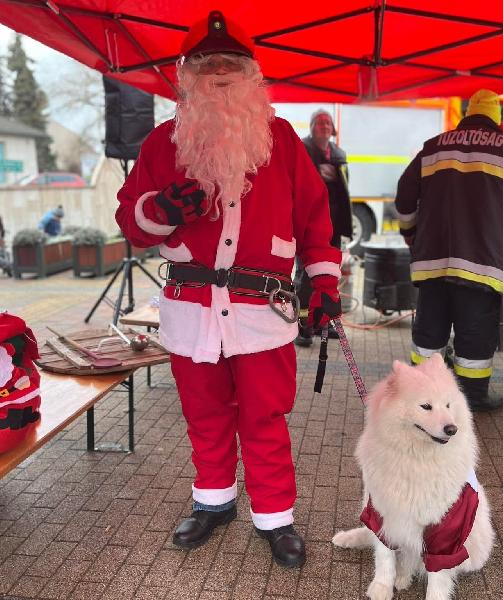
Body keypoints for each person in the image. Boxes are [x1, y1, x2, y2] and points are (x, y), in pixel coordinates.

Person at [114, 10, 341, 568]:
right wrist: (162, 210)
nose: (218, 70)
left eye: (231, 61)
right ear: (185, 74)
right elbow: (131, 222)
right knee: (204, 410)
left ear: (252, 74)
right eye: (205, 62)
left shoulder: (283, 140)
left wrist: (324, 285)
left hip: (261, 309)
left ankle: (274, 515)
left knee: (264, 415)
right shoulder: (161, 144)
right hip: (191, 308)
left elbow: (316, 221)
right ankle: (213, 501)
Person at [395, 89, 503, 412]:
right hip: (483, 266)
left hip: (433, 263)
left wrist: (411, 233)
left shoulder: (434, 146)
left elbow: (404, 196)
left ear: (467, 113)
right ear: (498, 119)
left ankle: (420, 396)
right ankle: (472, 398)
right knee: (475, 337)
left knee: (429, 335)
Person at [293, 109, 352, 347]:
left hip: (333, 226)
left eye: (328, 123)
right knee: (305, 277)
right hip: (308, 224)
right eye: (319, 123)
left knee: (329, 276)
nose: (324, 126)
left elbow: (344, 189)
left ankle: (322, 323)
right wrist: (318, 175)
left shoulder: (339, 153)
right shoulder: (302, 149)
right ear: (311, 126)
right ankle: (302, 326)